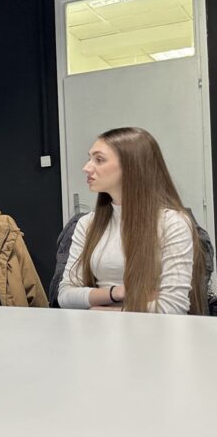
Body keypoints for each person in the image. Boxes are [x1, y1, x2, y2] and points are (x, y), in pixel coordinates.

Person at [57, 127, 208, 314]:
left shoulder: (173, 223)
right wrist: (118, 293)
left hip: (151, 331)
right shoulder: (87, 223)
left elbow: (172, 307)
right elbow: (65, 295)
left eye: (99, 159)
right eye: (89, 158)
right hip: (97, 329)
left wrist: (103, 310)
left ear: (132, 166)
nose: (86, 167)